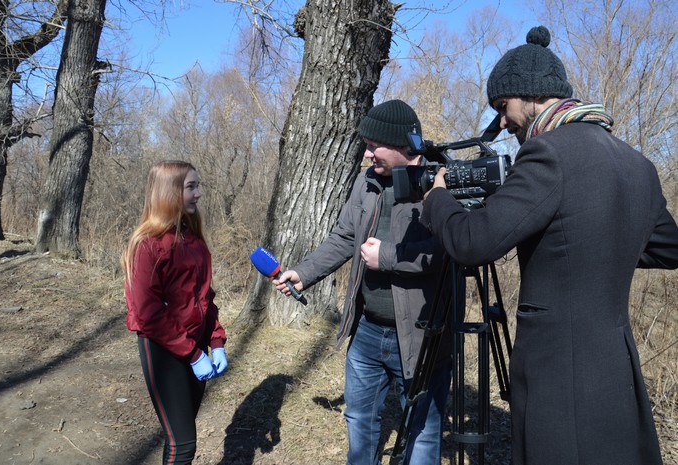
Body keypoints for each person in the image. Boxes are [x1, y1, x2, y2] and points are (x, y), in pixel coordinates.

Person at [421, 26, 678, 465]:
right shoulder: (638, 163)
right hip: (614, 371)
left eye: (503, 107)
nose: (502, 121)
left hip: (561, 379)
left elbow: (471, 242)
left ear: (532, 95)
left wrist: (437, 199)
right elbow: (668, 248)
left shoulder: (547, 155)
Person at [273, 99, 457, 465]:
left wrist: (387, 256)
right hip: (368, 332)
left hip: (422, 337)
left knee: (422, 435)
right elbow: (344, 237)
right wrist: (304, 272)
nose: (367, 153)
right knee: (360, 422)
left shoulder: (440, 184)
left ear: (405, 147)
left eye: (375, 145)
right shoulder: (367, 181)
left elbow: (450, 250)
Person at [121, 160, 228, 465]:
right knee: (183, 445)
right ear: (169, 192)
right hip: (164, 350)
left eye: (198, 186)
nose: (199, 194)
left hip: (196, 346)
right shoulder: (146, 245)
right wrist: (193, 355)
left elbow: (205, 298)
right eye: (191, 187)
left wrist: (216, 342)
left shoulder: (193, 239)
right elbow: (147, 313)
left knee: (182, 439)